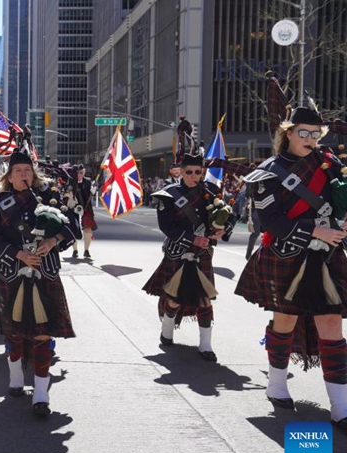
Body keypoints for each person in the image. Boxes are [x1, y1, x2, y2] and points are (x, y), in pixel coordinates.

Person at [235, 106, 347, 428]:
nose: (310, 139)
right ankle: (276, 384)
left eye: (315, 134)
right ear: (289, 133)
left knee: (331, 323)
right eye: (303, 133)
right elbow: (269, 221)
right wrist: (315, 231)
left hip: (327, 253)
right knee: (285, 320)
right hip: (286, 254)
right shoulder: (269, 171)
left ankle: (341, 406)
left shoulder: (331, 164)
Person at [0, 150, 79, 416]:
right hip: (13, 273)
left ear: (33, 174)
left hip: (45, 273)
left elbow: (73, 226)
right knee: (15, 332)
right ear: (9, 177)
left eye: (27, 171)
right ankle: (15, 377)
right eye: (18, 171)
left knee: (44, 333)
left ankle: (41, 395)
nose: (24, 175)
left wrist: (53, 241)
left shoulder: (50, 197)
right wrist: (19, 254)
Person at [142, 150, 235, 362]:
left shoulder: (211, 191)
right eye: (190, 172)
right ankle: (167, 328)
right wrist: (192, 239)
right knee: (174, 300)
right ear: (181, 172)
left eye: (198, 172)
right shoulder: (168, 194)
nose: (194, 176)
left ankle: (206, 345)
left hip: (203, 254)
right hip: (179, 252)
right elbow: (166, 226)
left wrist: (224, 229)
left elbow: (230, 215)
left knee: (205, 300)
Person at [68, 164, 97, 259]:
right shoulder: (71, 181)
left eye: (81, 172)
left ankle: (86, 250)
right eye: (78, 173)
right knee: (74, 228)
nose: (79, 174)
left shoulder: (88, 181)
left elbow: (91, 193)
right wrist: (70, 195)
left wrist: (93, 189)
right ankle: (75, 250)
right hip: (74, 208)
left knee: (88, 228)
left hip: (86, 207)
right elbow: (67, 193)